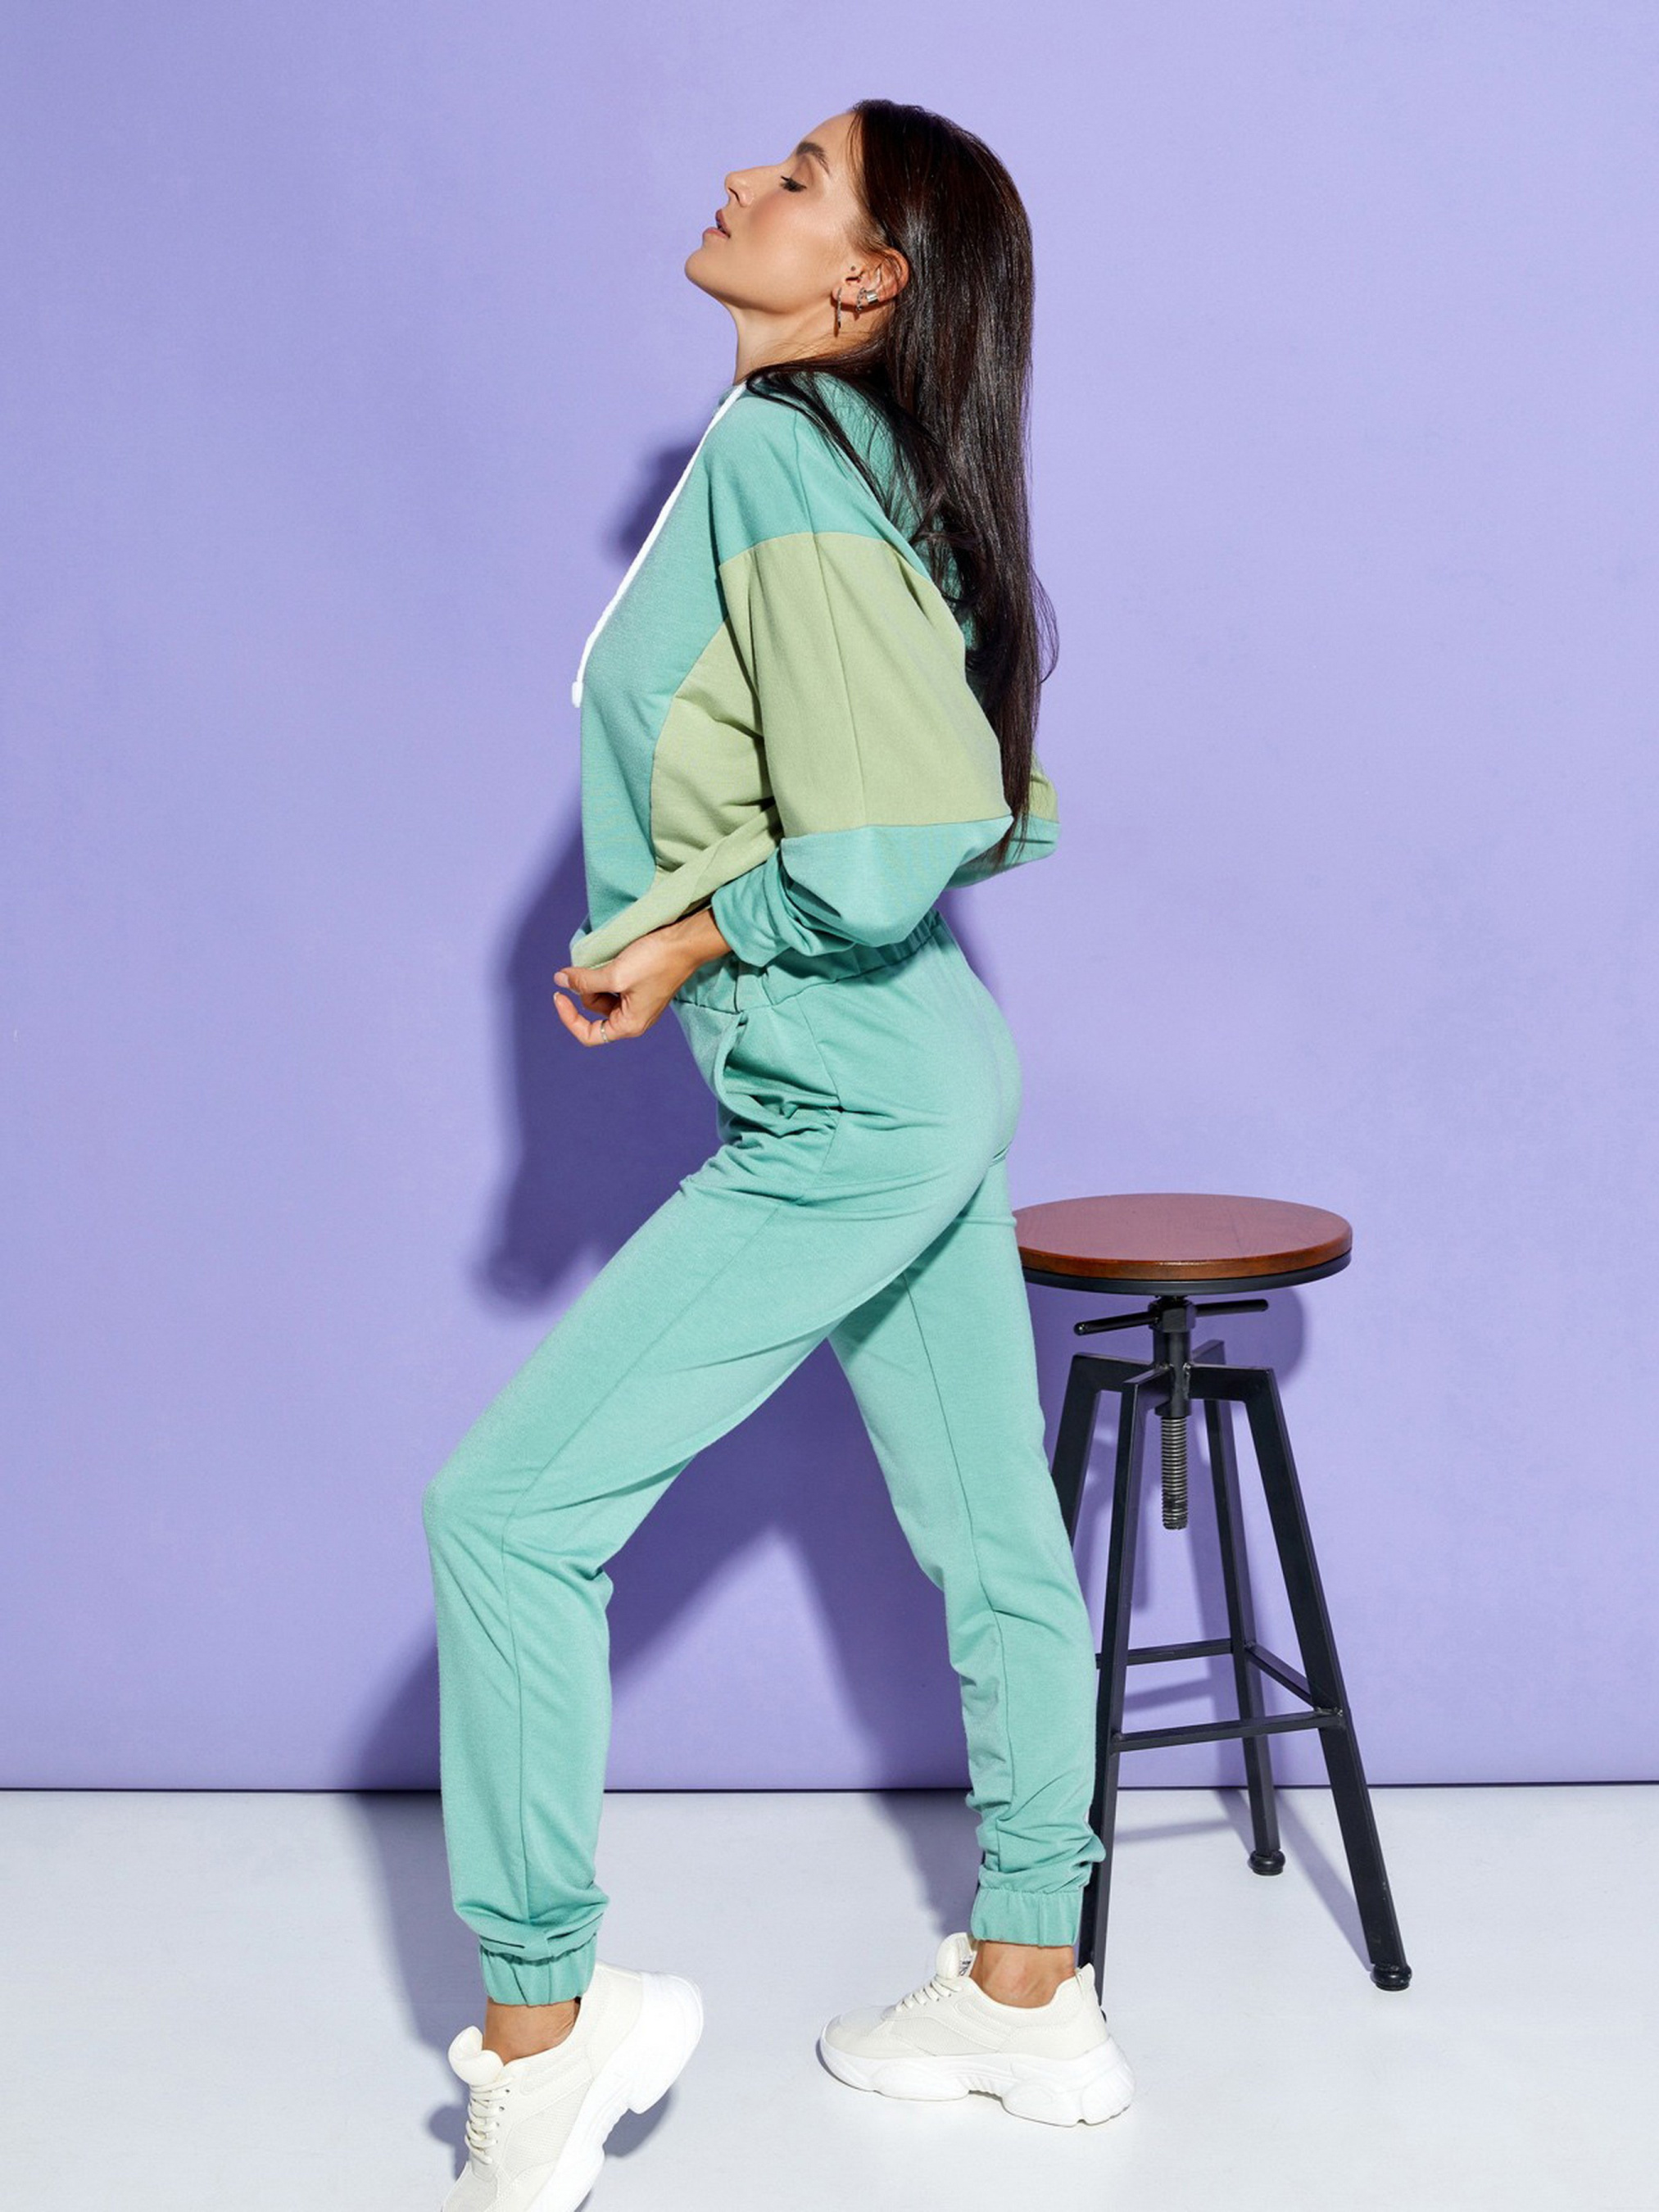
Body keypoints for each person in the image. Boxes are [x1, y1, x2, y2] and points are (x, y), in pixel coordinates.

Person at [422, 97, 1135, 2211]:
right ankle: (1028, 1990)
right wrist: (688, 937)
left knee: (506, 1518)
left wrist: (701, 926)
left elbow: (903, 832)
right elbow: (959, 792)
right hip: (913, 1065)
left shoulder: (774, 455)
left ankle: (547, 2035)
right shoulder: (852, 462)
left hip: (853, 1092)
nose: (743, 179)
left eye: (800, 179)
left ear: (866, 283)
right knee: (993, 1538)